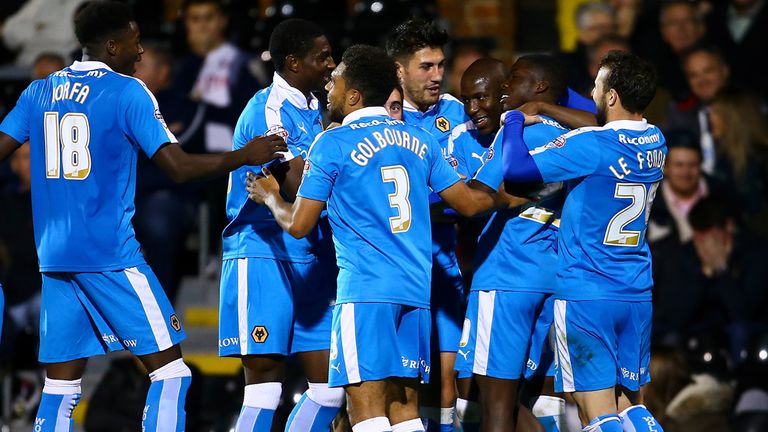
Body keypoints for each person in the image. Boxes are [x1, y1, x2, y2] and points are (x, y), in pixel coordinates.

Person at [0, 2, 286, 431]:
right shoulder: (127, 91)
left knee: (60, 386)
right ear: (111, 45)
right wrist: (245, 155)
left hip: (54, 257)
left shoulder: (39, 90)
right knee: (172, 373)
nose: (140, 52)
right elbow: (179, 168)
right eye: (135, 42)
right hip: (109, 254)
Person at [246, 43, 497, 432]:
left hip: (364, 293)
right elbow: (468, 204)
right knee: (406, 412)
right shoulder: (421, 141)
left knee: (367, 415)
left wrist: (271, 197)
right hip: (416, 292)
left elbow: (299, 225)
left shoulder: (331, 143)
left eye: (336, 81)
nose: (328, 87)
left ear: (354, 95)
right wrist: (514, 191)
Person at [500, 51, 666, 432]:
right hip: (636, 291)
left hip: (587, 292)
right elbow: (604, 128)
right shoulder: (658, 141)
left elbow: (517, 169)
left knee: (596, 412)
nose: (591, 91)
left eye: (597, 85)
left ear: (611, 96)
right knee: (632, 406)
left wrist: (512, 121)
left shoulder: (590, 146)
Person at [217, 18, 343, 432]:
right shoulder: (268, 109)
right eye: (321, 56)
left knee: (330, 390)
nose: (331, 64)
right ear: (293, 62)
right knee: (265, 390)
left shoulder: (313, 108)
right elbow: (295, 184)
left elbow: (313, 175)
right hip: (263, 254)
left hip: (311, 254)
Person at [454, 54, 578, 432]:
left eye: (514, 79)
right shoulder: (573, 136)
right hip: (553, 278)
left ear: (539, 86)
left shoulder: (518, 132)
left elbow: (477, 197)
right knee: (534, 397)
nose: (507, 87)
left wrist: (426, 168)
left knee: (493, 406)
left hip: (505, 277)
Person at [385, 19, 470, 431]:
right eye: (426, 67)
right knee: (391, 390)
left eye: (440, 65)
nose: (437, 75)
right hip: (390, 270)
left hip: (443, 263)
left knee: (447, 386)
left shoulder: (458, 112)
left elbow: (472, 189)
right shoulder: (380, 117)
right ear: (399, 70)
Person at [665, 45, 730, 175]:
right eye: (693, 75)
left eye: (708, 71)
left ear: (724, 71)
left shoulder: (749, 111)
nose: (702, 80)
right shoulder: (678, 113)